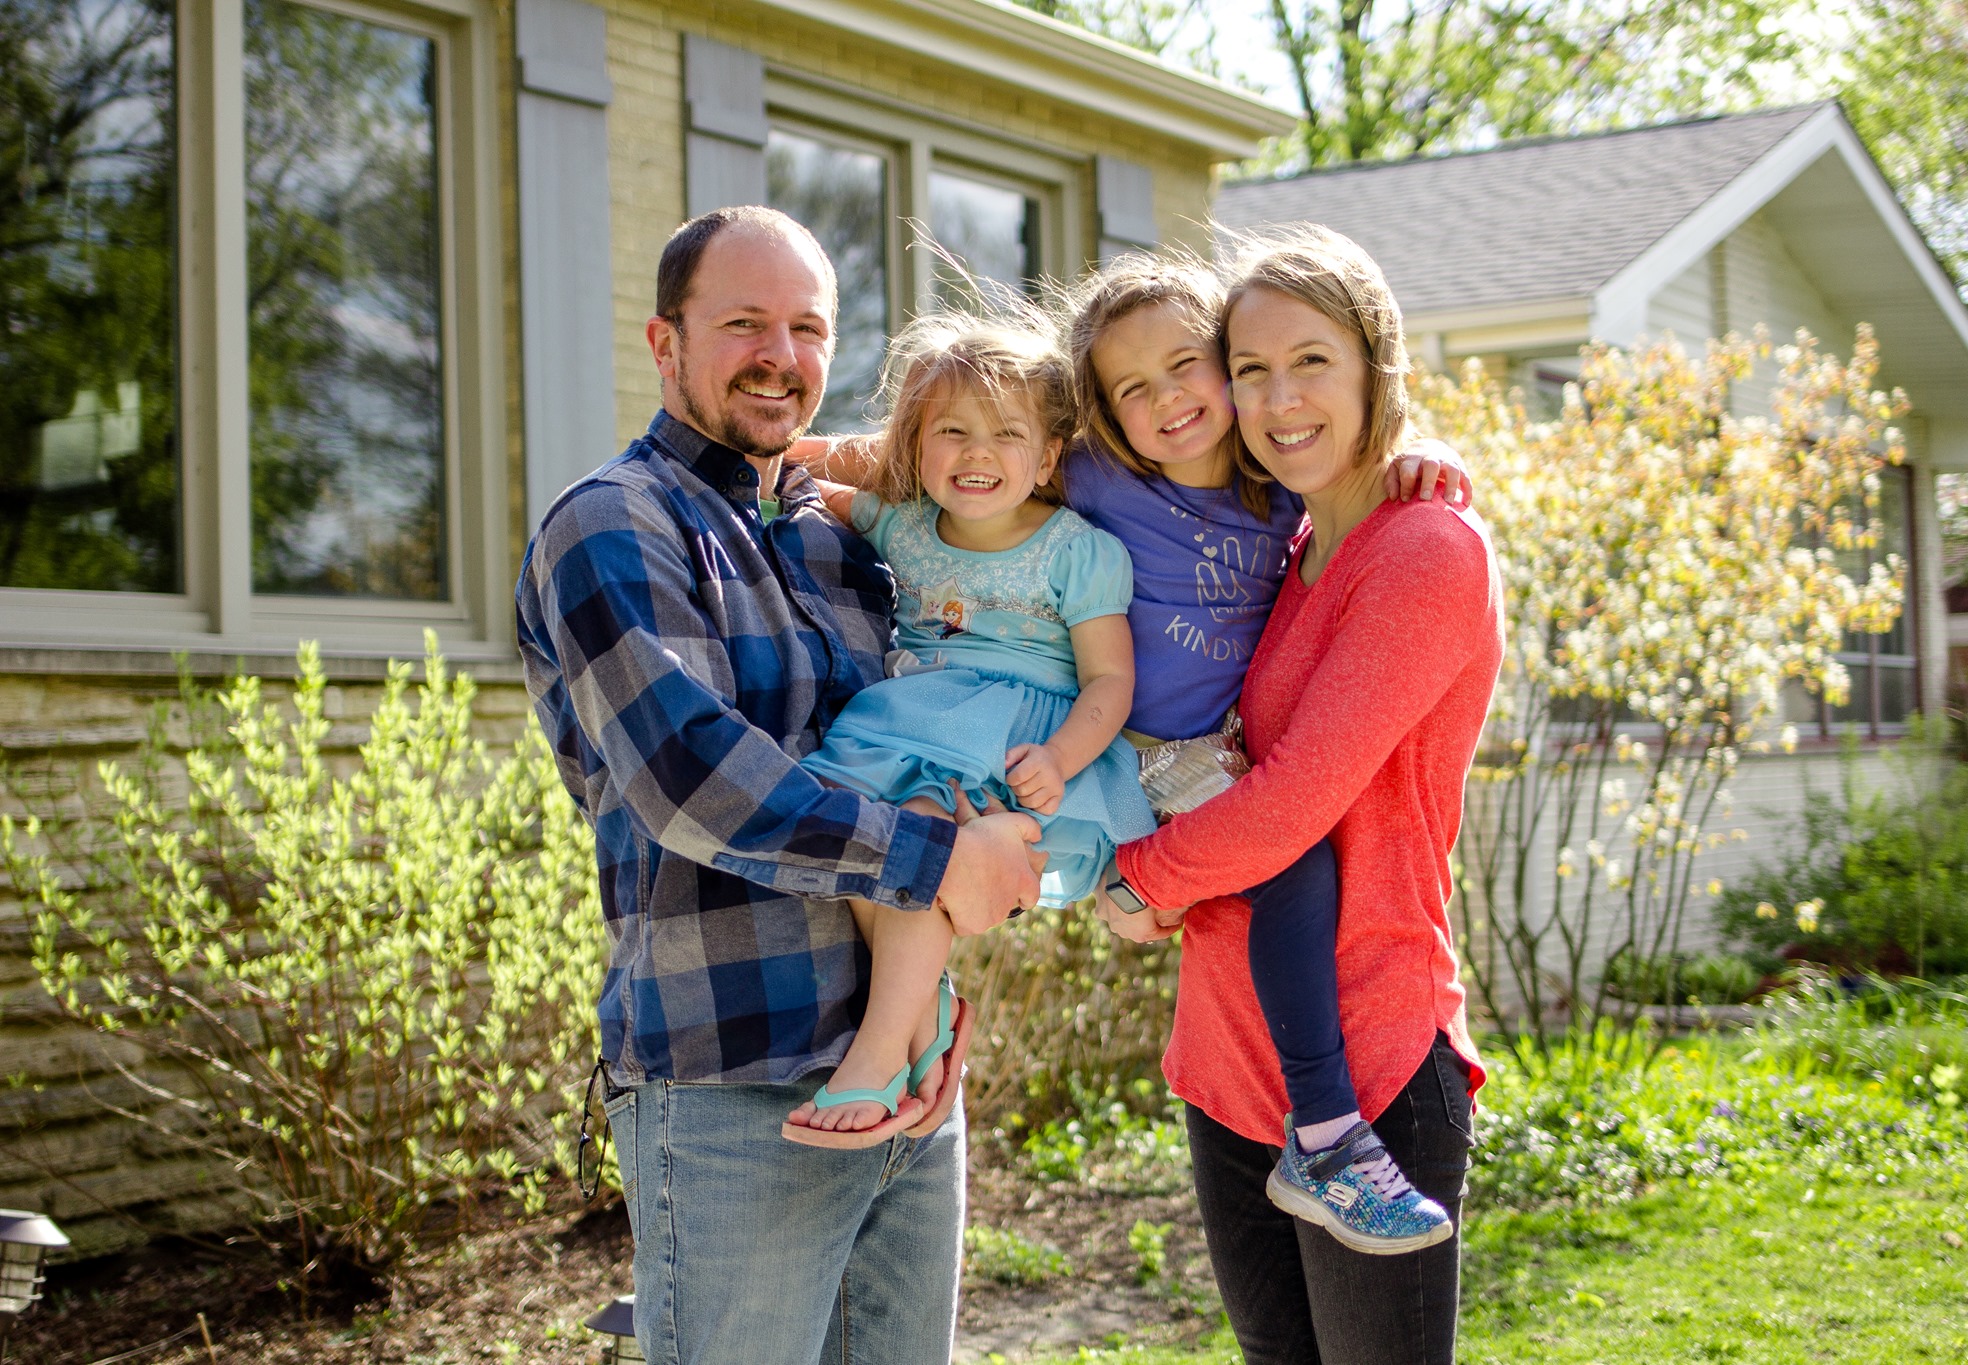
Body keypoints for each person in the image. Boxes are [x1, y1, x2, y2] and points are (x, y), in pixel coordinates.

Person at [516, 206, 1046, 1365]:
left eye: (808, 327)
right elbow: (694, 781)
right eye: (744, 323)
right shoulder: (612, 525)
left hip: (906, 1073)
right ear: (665, 343)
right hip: (735, 1081)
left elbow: (1042, 497)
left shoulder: (844, 542)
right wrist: (947, 862)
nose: (781, 355)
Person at [1102, 225, 1505, 1365]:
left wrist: (1137, 882)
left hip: (1370, 1062)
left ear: (1378, 364)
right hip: (1229, 1063)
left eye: (1311, 361)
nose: (1278, 399)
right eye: (1248, 368)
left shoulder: (1424, 550)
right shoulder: (1281, 550)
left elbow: (1293, 802)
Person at [780, 307, 1157, 1144]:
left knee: (916, 849)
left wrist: (1060, 759)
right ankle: (922, 1023)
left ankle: (877, 1056)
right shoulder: (901, 525)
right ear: (914, 446)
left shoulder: (1076, 552)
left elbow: (1111, 680)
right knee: (883, 846)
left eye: (1005, 434)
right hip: (915, 731)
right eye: (951, 430)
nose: (977, 453)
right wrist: (767, 455)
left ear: (1049, 455)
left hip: (1023, 752)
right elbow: (800, 465)